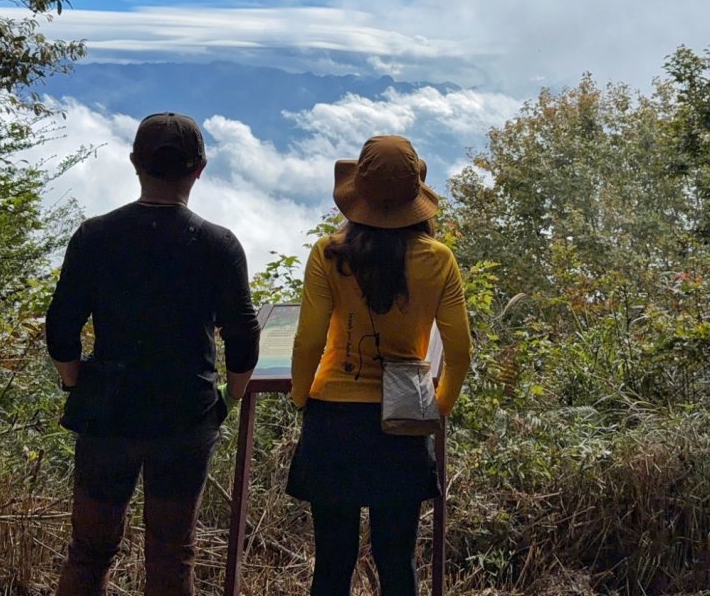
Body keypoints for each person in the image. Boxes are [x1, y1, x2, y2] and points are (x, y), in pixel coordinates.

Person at [46, 112, 260, 596]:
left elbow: (61, 326)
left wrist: (75, 380)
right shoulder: (217, 244)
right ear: (199, 169)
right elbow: (243, 336)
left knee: (89, 550)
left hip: (107, 409)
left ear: (134, 163)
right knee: (171, 552)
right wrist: (231, 395)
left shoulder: (95, 236)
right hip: (185, 413)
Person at [287, 135, 472, 596]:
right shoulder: (439, 260)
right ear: (416, 197)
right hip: (404, 420)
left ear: (358, 195)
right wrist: (438, 407)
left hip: (333, 415)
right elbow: (461, 350)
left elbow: (309, 338)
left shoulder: (329, 254)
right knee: (396, 558)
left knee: (332, 560)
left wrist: (299, 396)